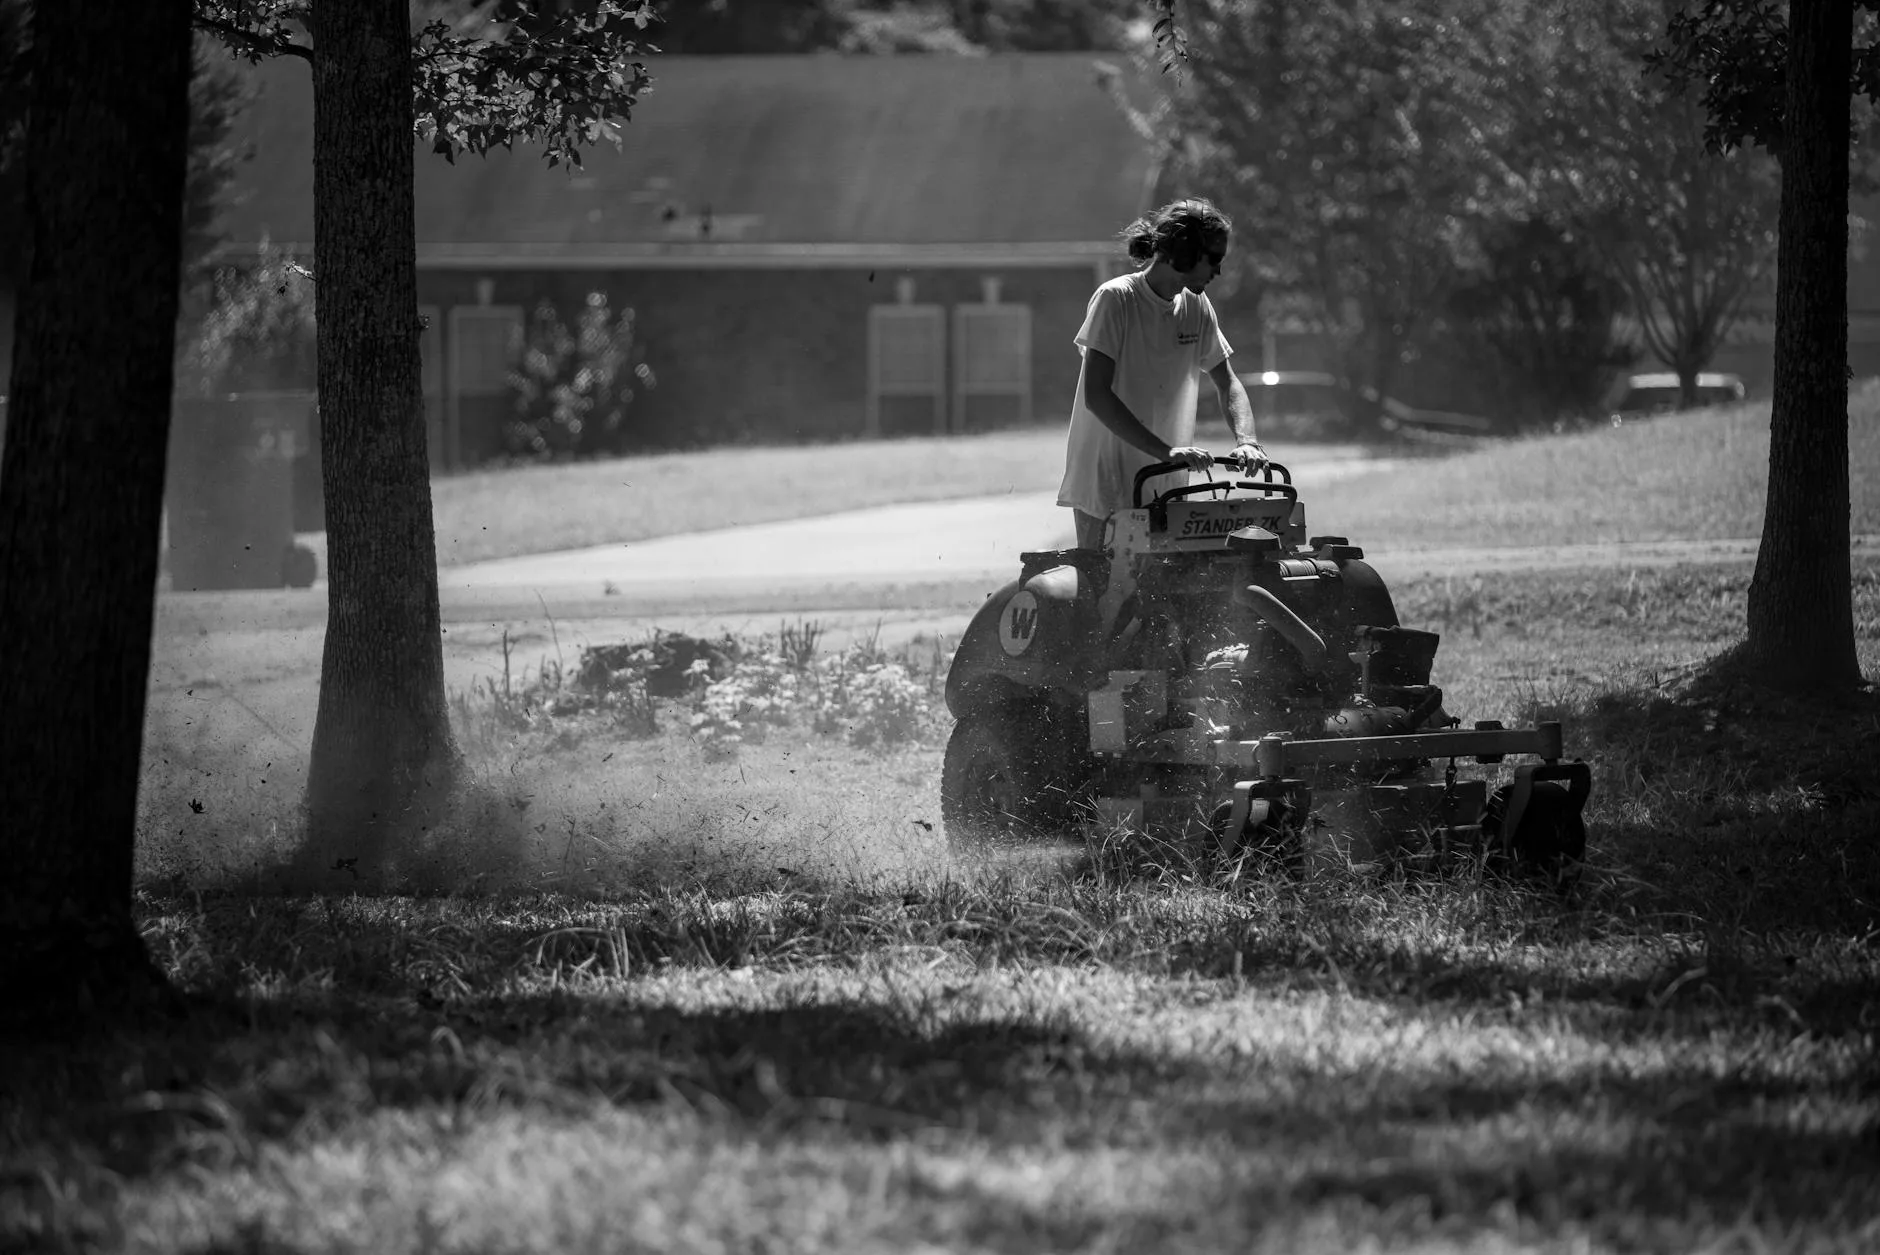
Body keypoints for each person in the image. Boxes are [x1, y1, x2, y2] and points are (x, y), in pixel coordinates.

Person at [1057, 197, 1263, 551]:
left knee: (1164, 597)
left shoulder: (1196, 306)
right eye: (1213, 259)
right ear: (1184, 252)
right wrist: (1166, 451)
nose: (1218, 270)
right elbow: (1097, 395)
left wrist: (1247, 441)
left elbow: (1227, 381)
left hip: (1165, 481)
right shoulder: (1117, 299)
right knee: (1102, 596)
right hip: (1104, 480)